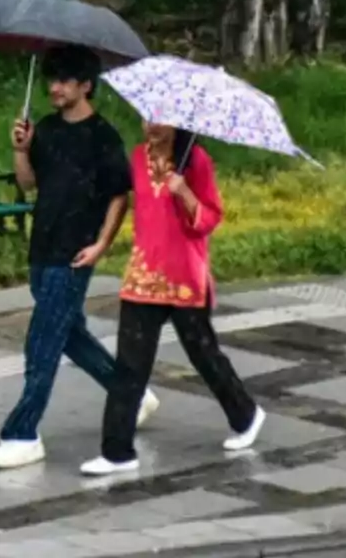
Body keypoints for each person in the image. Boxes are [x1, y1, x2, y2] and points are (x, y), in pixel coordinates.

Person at [0, 44, 160, 470]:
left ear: (86, 86)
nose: (55, 87)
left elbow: (120, 196)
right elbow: (28, 185)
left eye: (64, 80)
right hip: (42, 245)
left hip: (75, 250)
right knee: (67, 332)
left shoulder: (103, 137)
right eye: (52, 79)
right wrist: (21, 149)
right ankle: (130, 392)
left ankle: (22, 432)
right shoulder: (44, 128)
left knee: (43, 340)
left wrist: (102, 244)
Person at [79, 123, 265, 476]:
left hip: (184, 276)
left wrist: (185, 193)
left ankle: (246, 415)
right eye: (146, 117)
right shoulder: (137, 157)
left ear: (177, 123)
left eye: (159, 119)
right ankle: (117, 451)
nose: (150, 126)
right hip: (143, 276)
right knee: (130, 365)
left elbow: (209, 218)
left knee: (204, 355)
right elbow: (121, 198)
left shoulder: (197, 161)